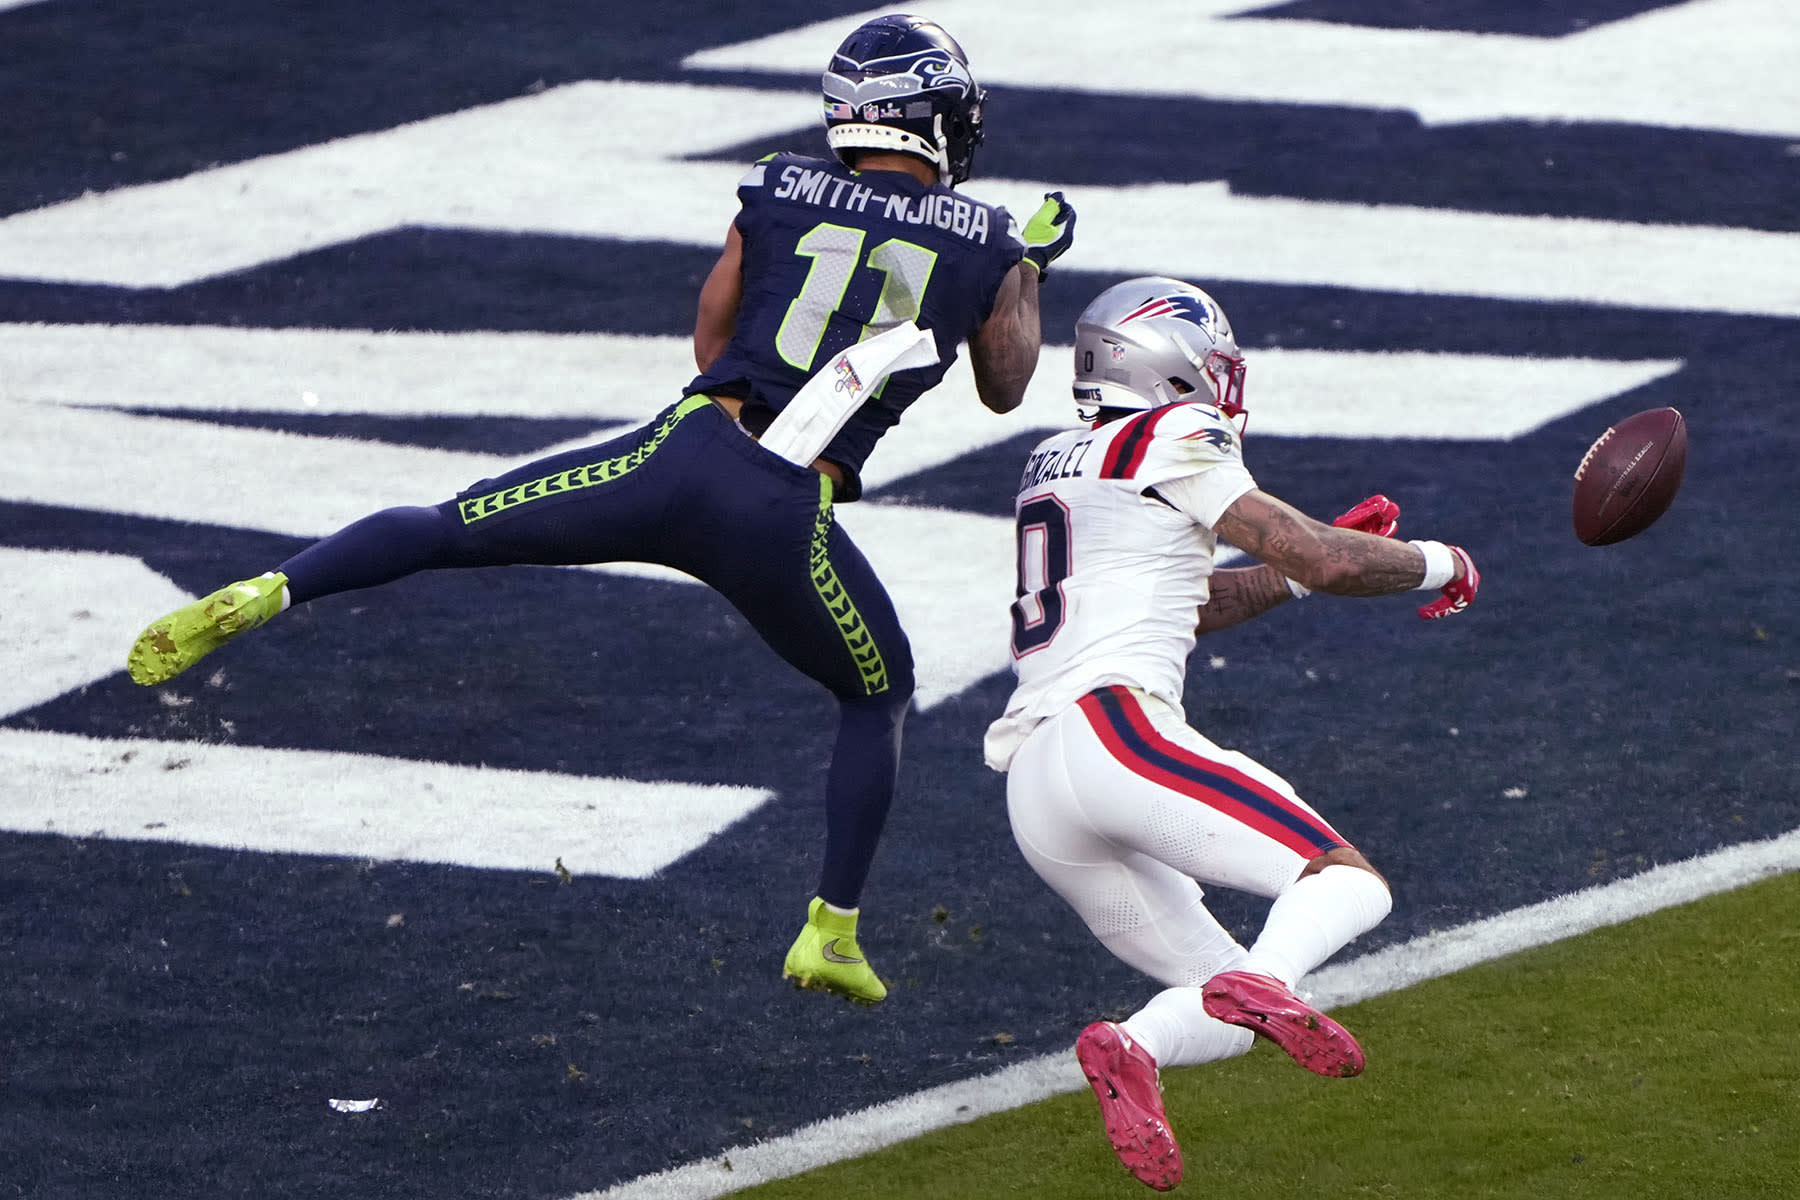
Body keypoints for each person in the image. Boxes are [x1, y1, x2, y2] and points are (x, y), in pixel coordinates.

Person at [125, 13, 1077, 1006]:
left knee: (447, 527)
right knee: (877, 694)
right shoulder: (989, 244)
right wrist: (1029, 275)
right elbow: (1005, 386)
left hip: (680, 453)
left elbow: (711, 341)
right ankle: (830, 929)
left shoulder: (778, 187)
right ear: (924, 115)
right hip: (786, 513)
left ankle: (274, 587)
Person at [983, 277, 1479, 1190]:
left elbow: (1179, 602)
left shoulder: (1056, 457)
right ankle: (1272, 982)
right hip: (1113, 733)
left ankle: (1131, 1046)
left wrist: (1293, 577)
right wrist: (1438, 564)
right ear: (1168, 364)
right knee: (1345, 883)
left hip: (1039, 789)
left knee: (1223, 1004)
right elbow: (1323, 553)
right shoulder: (1175, 432)